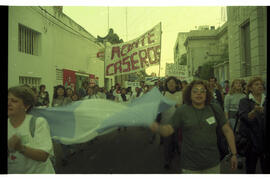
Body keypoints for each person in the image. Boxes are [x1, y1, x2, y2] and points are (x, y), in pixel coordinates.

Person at [150, 80, 238, 174]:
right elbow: (168, 131)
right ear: (189, 94)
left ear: (207, 93)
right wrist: (155, 126)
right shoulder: (182, 111)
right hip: (190, 166)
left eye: (202, 91)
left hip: (213, 163)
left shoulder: (215, 108)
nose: (199, 94)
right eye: (195, 91)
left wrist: (234, 154)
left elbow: (227, 130)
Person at [8, 85, 55, 173]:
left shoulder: (38, 123)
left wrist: (20, 148)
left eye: (14, 101)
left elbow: (43, 156)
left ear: (26, 106)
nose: (8, 103)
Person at [238, 77, 269, 174]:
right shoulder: (244, 101)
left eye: (261, 84)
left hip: (265, 141)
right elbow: (245, 118)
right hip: (251, 141)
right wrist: (254, 111)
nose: (260, 86)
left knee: (266, 169)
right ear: (250, 88)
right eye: (256, 84)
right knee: (251, 168)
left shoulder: (265, 100)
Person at [160, 76, 183, 170]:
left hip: (178, 124)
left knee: (178, 143)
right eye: (169, 83)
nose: (171, 84)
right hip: (166, 124)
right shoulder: (163, 94)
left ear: (176, 84)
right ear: (166, 85)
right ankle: (167, 161)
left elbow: (186, 107)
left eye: (173, 82)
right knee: (167, 144)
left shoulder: (181, 94)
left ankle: (180, 161)